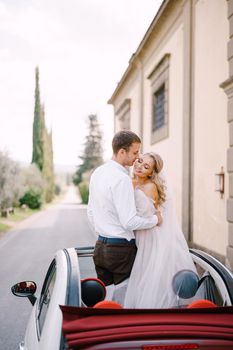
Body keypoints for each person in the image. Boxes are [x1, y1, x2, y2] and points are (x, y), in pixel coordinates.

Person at [87, 131, 163, 299]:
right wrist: (155, 219)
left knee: (106, 298)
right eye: (135, 152)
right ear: (122, 152)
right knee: (126, 298)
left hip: (100, 247)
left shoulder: (98, 173)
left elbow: (91, 213)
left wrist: (105, 232)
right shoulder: (122, 179)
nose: (137, 158)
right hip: (121, 249)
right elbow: (129, 222)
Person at [124, 152, 197, 308]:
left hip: (151, 235)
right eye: (140, 161)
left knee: (150, 273)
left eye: (146, 166)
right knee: (142, 272)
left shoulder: (150, 187)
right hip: (139, 234)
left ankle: (152, 309)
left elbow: (158, 217)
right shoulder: (129, 182)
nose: (140, 167)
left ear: (151, 173)